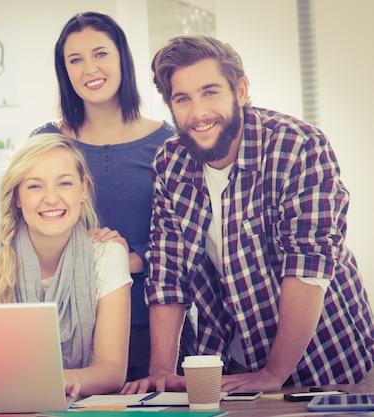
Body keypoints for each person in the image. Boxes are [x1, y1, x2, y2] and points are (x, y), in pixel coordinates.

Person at [121, 35, 374, 395]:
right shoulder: (169, 162)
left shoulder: (298, 146)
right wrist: (162, 370)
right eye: (183, 99)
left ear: (240, 90)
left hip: (327, 364)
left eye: (210, 92)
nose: (198, 113)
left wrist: (274, 373)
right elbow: (168, 270)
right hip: (230, 365)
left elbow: (307, 266)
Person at [31, 11, 196, 381]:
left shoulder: (168, 143)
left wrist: (126, 256)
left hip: (152, 332)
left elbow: (188, 244)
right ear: (65, 72)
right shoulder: (46, 142)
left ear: (122, 58)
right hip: (65, 331)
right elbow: (27, 228)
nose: (90, 68)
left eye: (101, 54)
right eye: (75, 60)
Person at [0, 133, 131, 397]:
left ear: (83, 189)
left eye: (64, 183)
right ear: (16, 197)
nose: (51, 198)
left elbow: (112, 371)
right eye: (35, 186)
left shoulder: (107, 256)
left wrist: (65, 380)